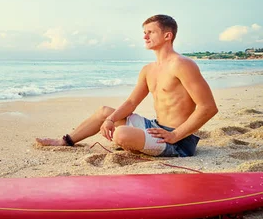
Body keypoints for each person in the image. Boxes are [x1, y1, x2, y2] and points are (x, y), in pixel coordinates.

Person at [36, 14, 218, 157]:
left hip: (178, 140)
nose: (145, 36)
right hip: (156, 127)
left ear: (167, 35)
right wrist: (110, 120)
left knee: (121, 134)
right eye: (144, 32)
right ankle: (66, 141)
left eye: (150, 32)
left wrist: (175, 135)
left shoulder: (182, 64)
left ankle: (140, 142)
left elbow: (208, 107)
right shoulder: (149, 69)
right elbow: (131, 103)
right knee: (105, 112)